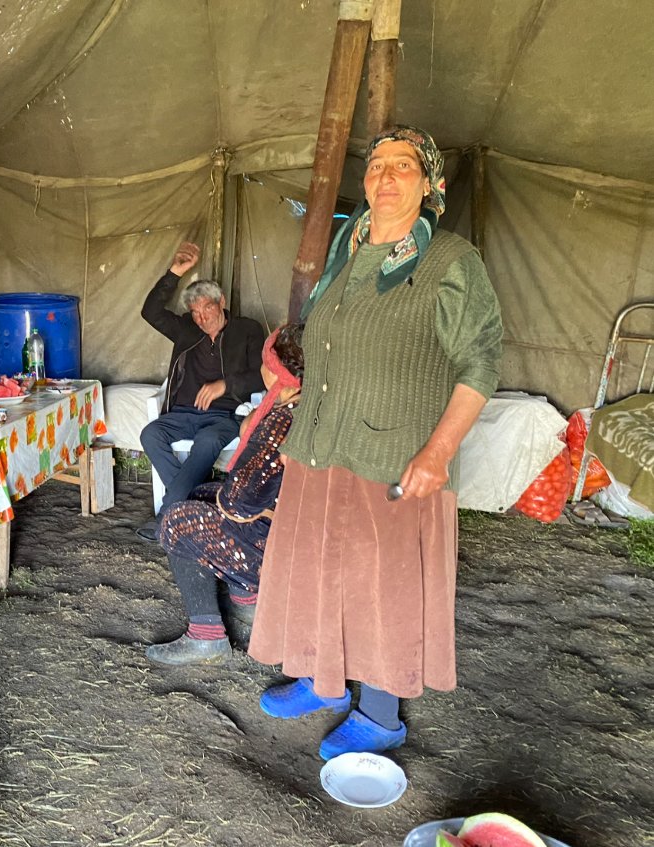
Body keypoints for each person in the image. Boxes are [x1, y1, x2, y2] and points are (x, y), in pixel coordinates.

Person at [248, 126, 503, 760]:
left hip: (396, 455)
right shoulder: (349, 249)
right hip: (322, 443)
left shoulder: (451, 261)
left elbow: (479, 365)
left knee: (382, 585)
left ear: (430, 183)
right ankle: (323, 678)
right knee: (317, 567)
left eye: (403, 166)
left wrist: (437, 453)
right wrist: (305, 401)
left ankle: (381, 714)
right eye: (376, 165)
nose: (384, 177)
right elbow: (334, 343)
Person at [146, 323, 303, 666]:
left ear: (277, 371)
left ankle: (207, 636)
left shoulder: (280, 422)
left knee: (176, 520)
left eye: (265, 360)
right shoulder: (299, 405)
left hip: (271, 544)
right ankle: (248, 598)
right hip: (287, 526)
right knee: (199, 492)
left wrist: (220, 499)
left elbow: (239, 502)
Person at [137, 241, 265, 542]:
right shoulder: (186, 329)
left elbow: (262, 377)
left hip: (223, 416)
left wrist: (226, 385)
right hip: (183, 413)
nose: (202, 318)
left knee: (207, 442)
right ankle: (189, 506)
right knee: (150, 434)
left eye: (207, 308)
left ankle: (167, 517)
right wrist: (174, 272)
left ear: (221, 302)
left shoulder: (247, 330)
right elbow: (150, 312)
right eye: (195, 312)